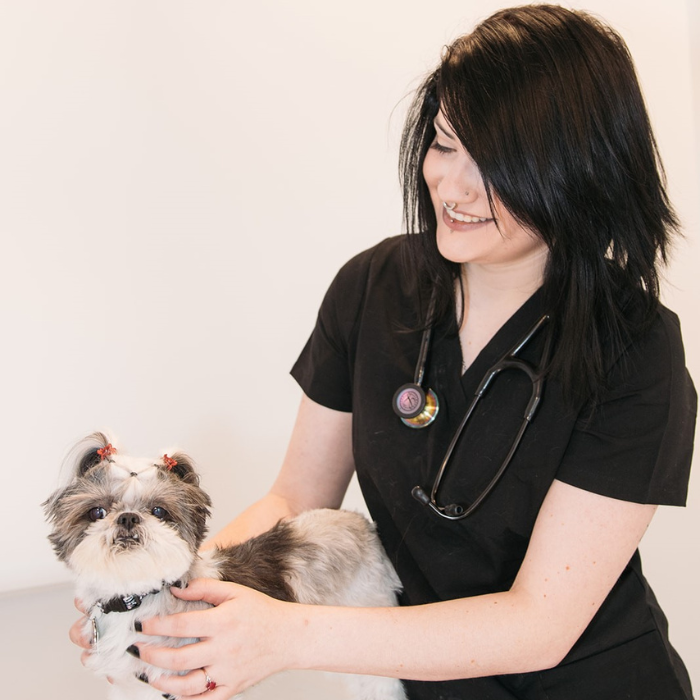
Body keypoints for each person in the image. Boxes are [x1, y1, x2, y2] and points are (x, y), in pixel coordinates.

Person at [71, 5, 696, 699]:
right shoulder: (373, 287)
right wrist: (158, 590)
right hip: (422, 686)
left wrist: (283, 633)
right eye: (444, 143)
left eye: (495, 166)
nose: (452, 188)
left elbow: (540, 623)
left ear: (578, 172)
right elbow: (297, 498)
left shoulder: (637, 349)